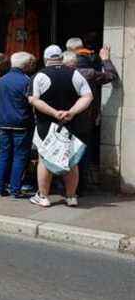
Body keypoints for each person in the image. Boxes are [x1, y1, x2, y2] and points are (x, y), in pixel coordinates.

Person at [29, 45, 93, 208]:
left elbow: (34, 100)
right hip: (70, 124)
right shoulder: (75, 73)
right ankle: (71, 196)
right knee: (71, 160)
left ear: (45, 59)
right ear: (61, 58)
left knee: (44, 159)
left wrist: (54, 113)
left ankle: (43, 196)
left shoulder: (39, 75)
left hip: (46, 125)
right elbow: (88, 96)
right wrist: (71, 112)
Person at [64, 39, 120, 194]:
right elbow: (111, 76)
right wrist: (106, 59)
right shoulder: (89, 72)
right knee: (81, 153)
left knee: (64, 152)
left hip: (63, 118)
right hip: (85, 119)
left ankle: (64, 186)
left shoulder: (60, 73)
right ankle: (80, 187)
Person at [0, 52, 36, 198]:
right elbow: (31, 102)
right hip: (22, 123)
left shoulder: (2, 80)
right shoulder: (27, 81)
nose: (32, 66)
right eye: (31, 63)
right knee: (19, 156)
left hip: (4, 122)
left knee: (4, 155)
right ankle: (15, 189)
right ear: (25, 65)